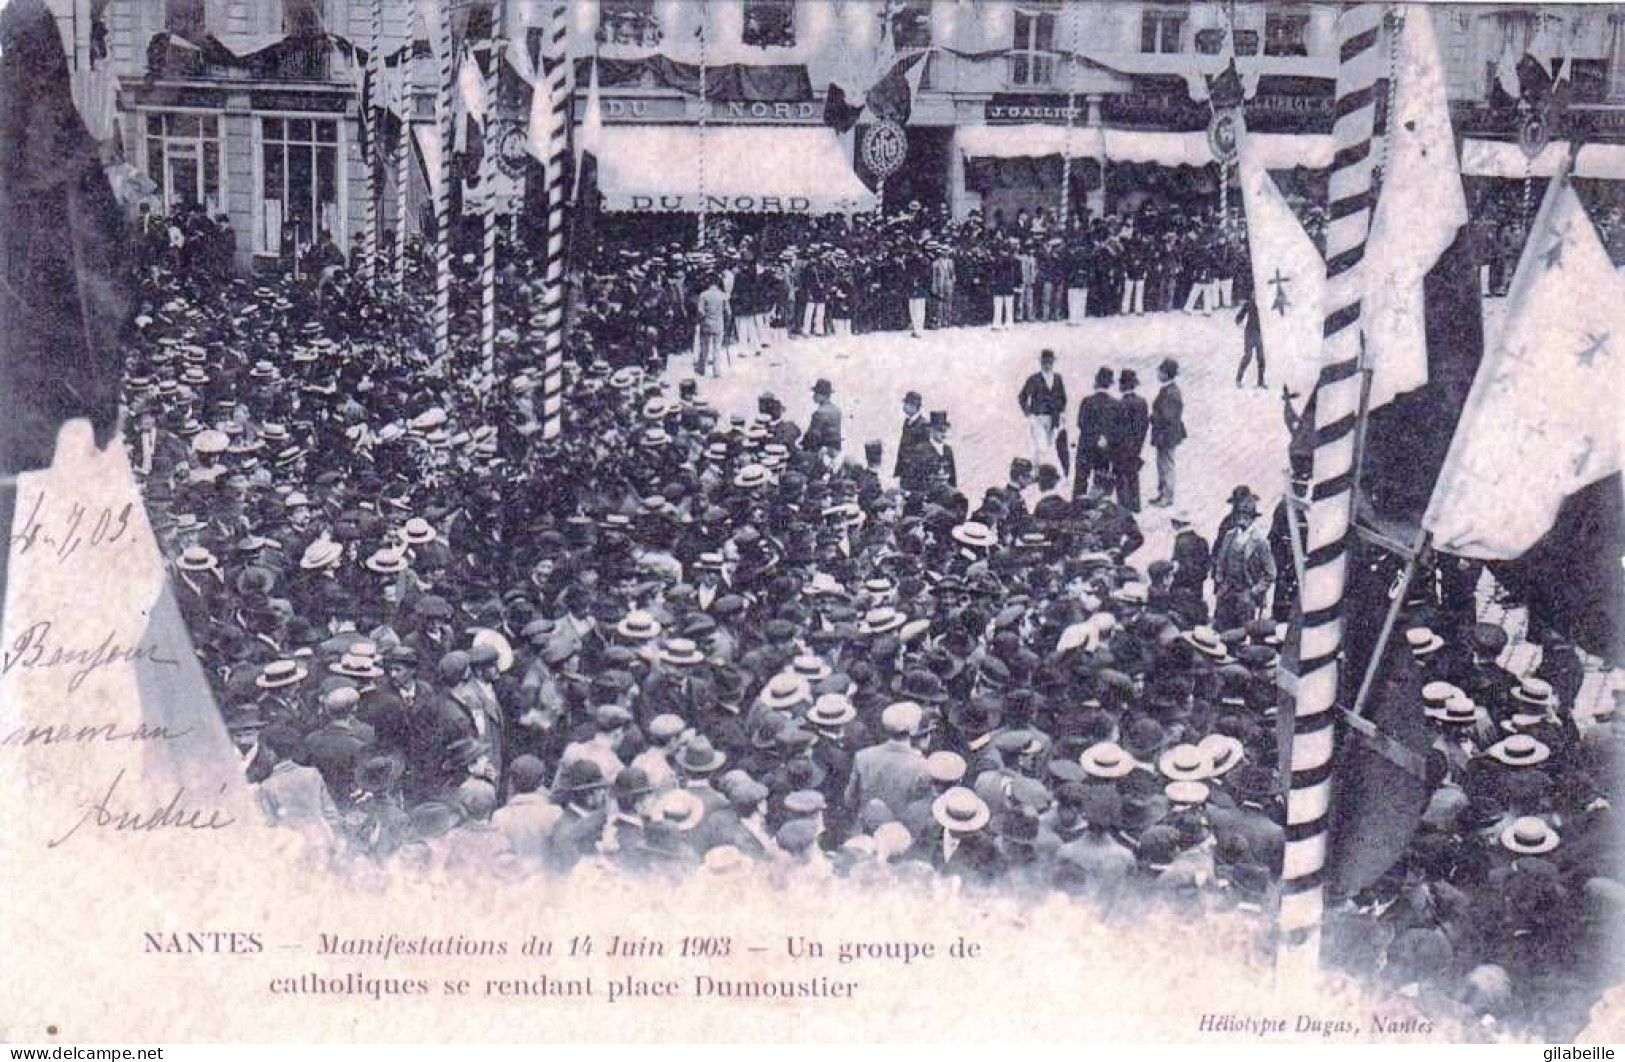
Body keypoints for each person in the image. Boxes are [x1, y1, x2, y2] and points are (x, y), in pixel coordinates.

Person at [1213, 486, 1276, 630]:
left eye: (1247, 516)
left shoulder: (1260, 542)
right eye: (1240, 515)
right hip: (1227, 591)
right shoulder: (1229, 535)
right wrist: (1220, 581)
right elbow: (1221, 560)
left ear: (1253, 518)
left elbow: (1270, 574)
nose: (1242, 519)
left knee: (1242, 630)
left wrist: (1254, 591)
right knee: (1221, 627)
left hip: (1246, 594)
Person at [1017, 349, 1067, 471]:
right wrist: (1028, 414)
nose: (1047, 364)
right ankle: (1040, 471)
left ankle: (1038, 470)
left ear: (1053, 362)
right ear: (1041, 363)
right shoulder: (1034, 379)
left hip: (1053, 418)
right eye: (1045, 362)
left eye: (1049, 362)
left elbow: (1063, 398)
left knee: (1048, 446)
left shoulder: (1058, 378)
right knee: (1041, 445)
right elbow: (1022, 396)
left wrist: (1061, 413)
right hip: (1037, 418)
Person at [1073, 367, 1118, 500]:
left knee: (1081, 480)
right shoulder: (1115, 403)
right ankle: (1098, 509)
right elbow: (1116, 427)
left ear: (1096, 381)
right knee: (1101, 481)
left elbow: (1081, 423)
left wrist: (1095, 436)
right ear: (1110, 384)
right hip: (1104, 448)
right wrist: (1104, 438)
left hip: (1086, 445)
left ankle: (1077, 509)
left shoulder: (1087, 401)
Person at [1109, 368, 1149, 513]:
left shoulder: (1119, 404)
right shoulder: (1142, 402)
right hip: (1136, 447)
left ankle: (1123, 507)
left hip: (1120, 448)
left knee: (1120, 478)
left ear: (1122, 386)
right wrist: (1138, 445)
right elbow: (1144, 426)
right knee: (1133, 476)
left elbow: (1115, 430)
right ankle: (1135, 506)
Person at [1149, 358, 1186, 508]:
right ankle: (1163, 493)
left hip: (1166, 435)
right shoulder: (1170, 389)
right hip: (1166, 434)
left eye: (1160, 371)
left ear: (1166, 373)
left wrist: (1153, 418)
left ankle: (1167, 496)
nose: (1158, 373)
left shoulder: (1170, 392)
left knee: (1167, 465)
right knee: (1162, 464)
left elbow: (1167, 416)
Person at [894, 390, 932, 495]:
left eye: (907, 403)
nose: (904, 406)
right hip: (905, 473)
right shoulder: (907, 422)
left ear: (914, 406)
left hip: (915, 476)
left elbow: (922, 453)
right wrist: (898, 471)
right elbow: (901, 448)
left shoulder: (923, 425)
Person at [696, 274, 728, 378]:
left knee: (704, 347)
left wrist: (701, 320)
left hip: (706, 323)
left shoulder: (703, 295)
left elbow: (700, 311)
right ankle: (716, 371)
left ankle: (701, 368)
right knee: (717, 348)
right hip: (719, 323)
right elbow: (728, 311)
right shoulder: (723, 295)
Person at [804, 379, 843, 456]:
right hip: (835, 450)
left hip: (822, 451)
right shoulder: (837, 410)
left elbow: (813, 437)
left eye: (816, 393)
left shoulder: (819, 413)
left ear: (823, 395)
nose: (814, 396)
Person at [1236, 294, 1265, 388]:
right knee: (1248, 357)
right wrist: (1239, 321)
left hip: (1259, 334)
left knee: (1261, 358)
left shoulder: (1265, 305)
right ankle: (1238, 380)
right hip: (1250, 333)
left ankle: (1260, 381)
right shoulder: (1250, 304)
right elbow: (1239, 316)